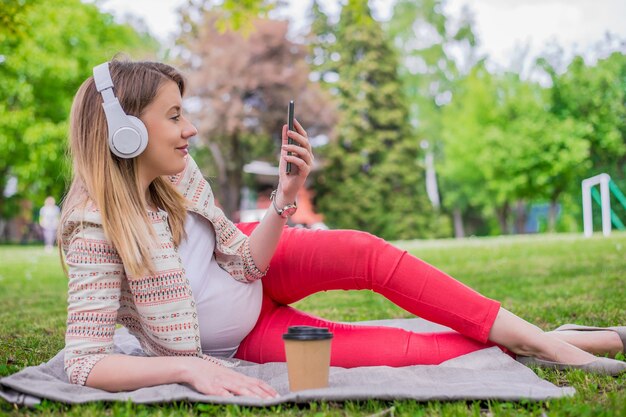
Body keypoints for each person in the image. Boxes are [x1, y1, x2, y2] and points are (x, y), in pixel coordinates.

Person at [59, 59, 625, 400]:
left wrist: (284, 198)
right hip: (245, 338)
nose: (193, 128)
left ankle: (536, 339)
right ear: (125, 135)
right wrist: (187, 367)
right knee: (408, 351)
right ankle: (581, 339)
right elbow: (84, 363)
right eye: (175, 115)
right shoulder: (94, 231)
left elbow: (245, 262)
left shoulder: (180, 176)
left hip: (262, 264)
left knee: (365, 252)